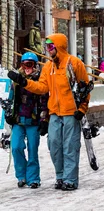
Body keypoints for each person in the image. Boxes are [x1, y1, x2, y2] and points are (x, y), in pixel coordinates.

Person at [8, 33, 90, 191]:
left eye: (50, 46)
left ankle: (70, 179)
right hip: (55, 112)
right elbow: (42, 88)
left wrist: (82, 108)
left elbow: (84, 88)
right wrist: (23, 82)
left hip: (71, 112)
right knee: (54, 145)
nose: (47, 49)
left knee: (70, 146)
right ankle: (60, 176)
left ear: (58, 46)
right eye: (46, 46)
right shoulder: (48, 67)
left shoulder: (74, 63)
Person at [7, 52, 49, 189]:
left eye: (30, 64)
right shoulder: (17, 79)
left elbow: (44, 100)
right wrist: (9, 113)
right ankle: (21, 175)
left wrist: (44, 119)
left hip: (33, 119)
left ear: (35, 65)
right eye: (24, 64)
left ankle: (33, 178)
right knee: (16, 147)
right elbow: (11, 98)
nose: (27, 67)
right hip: (18, 119)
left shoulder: (40, 80)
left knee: (32, 149)